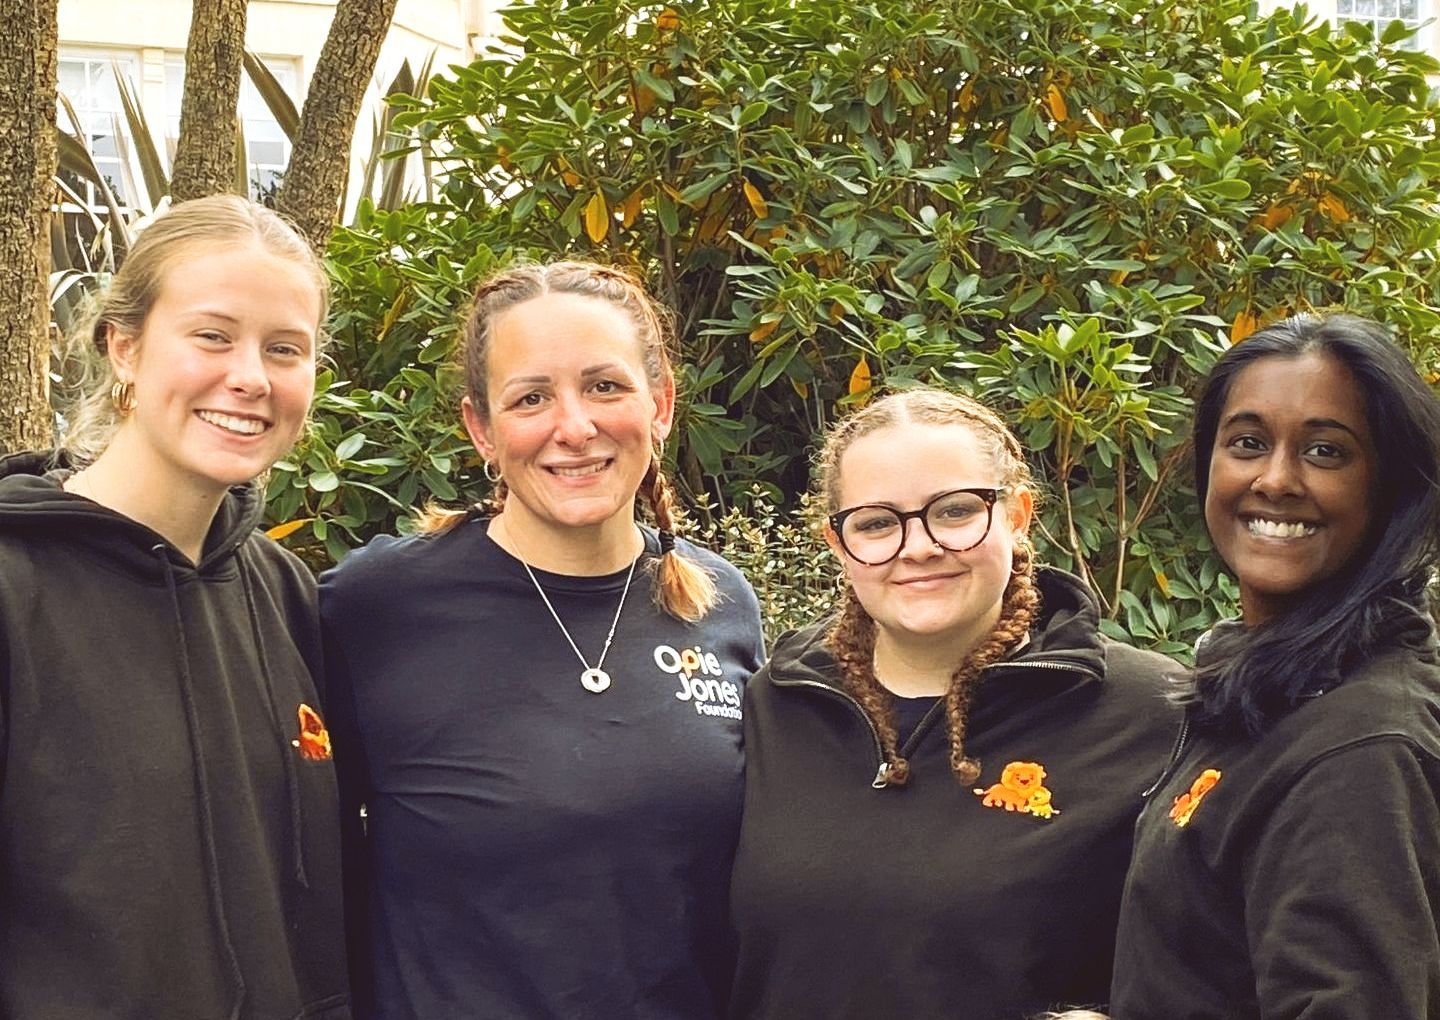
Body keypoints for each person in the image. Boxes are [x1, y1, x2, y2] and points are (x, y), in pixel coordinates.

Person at [320, 261, 767, 1020]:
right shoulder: (379, 607)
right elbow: (291, 855)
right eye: (531, 398)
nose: (574, 426)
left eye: (604, 386)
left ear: (659, 406)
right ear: (482, 430)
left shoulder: (721, 604)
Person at [0, 195, 350, 1019]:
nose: (251, 377)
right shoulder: (15, 592)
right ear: (123, 346)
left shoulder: (284, 591)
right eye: (212, 336)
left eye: (285, 349)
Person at [728, 387, 1181, 1019]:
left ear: (1017, 513)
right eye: (877, 522)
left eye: (955, 511)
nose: (918, 547)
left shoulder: (1153, 714)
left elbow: (1226, 955)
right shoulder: (778, 704)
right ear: (838, 543)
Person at [1110, 314, 1440, 1018]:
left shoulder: (1359, 748)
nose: (1277, 479)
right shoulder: (1271, 689)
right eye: (1248, 443)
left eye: (1325, 451)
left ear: (1390, 490)